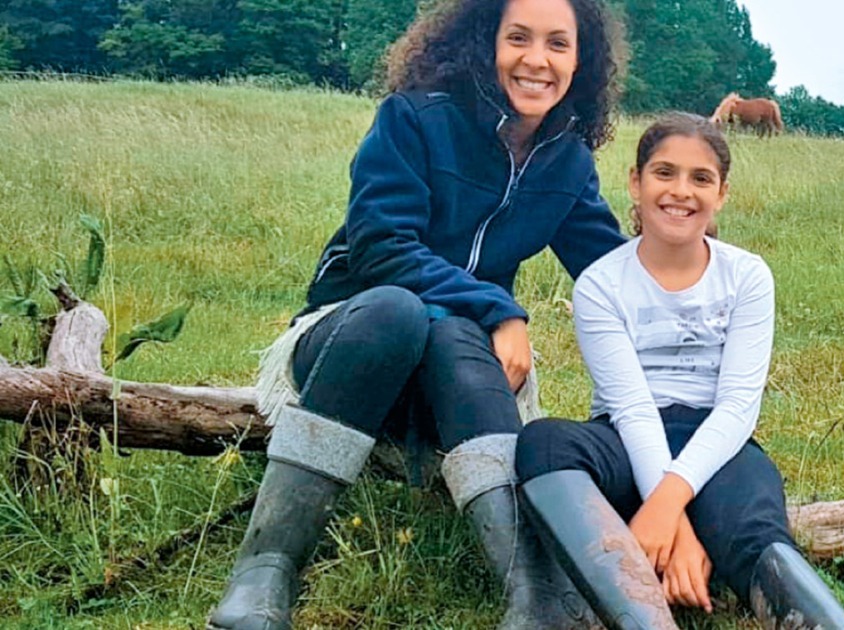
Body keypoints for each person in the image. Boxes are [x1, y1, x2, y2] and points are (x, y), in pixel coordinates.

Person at [208, 0, 625, 628]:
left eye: (557, 44)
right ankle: (264, 571)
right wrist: (499, 310)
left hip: (455, 384)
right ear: (486, 42)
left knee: (454, 331)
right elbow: (380, 244)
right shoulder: (413, 118)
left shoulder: (567, 160)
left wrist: (695, 282)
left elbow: (611, 275)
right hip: (354, 349)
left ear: (580, 59)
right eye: (518, 37)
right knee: (399, 312)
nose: (536, 59)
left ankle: (536, 597)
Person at [515, 113, 844, 629]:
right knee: (544, 443)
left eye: (700, 178)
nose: (680, 192)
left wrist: (669, 505)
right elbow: (631, 407)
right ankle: (631, 613)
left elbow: (738, 407)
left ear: (722, 193)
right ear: (635, 181)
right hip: (623, 442)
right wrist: (679, 529)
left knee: (754, 528)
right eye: (664, 173)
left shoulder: (747, 276)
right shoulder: (601, 284)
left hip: (719, 444)